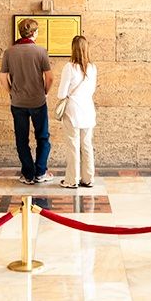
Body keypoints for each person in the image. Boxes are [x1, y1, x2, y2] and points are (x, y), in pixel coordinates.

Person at [0, 17, 54, 184]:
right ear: (34, 33)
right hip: (38, 101)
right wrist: (44, 92)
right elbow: (50, 77)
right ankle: (40, 172)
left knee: (21, 139)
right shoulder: (41, 51)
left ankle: (28, 174)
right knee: (42, 137)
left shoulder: (9, 52)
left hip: (18, 103)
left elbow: (2, 78)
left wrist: (11, 92)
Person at [57, 34, 97, 189]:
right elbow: (92, 90)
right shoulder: (92, 68)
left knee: (73, 146)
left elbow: (61, 94)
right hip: (88, 110)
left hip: (72, 111)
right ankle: (88, 178)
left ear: (73, 49)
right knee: (86, 145)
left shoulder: (69, 67)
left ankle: (72, 180)